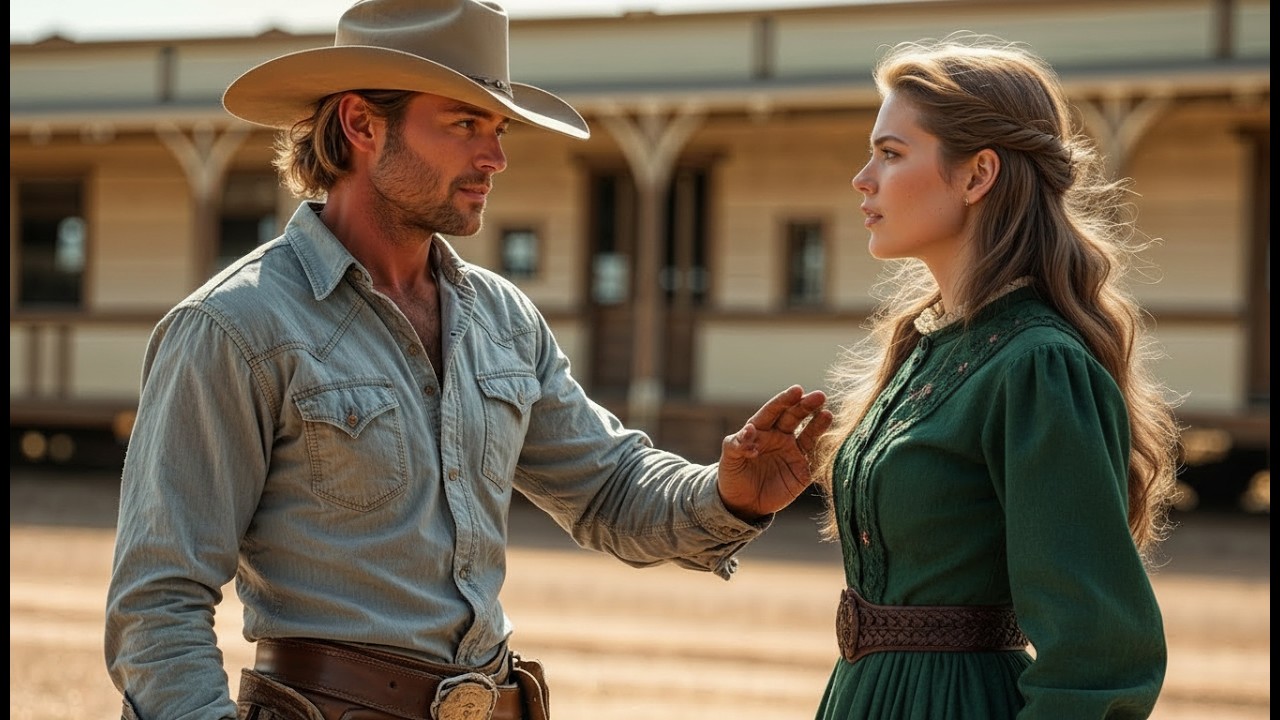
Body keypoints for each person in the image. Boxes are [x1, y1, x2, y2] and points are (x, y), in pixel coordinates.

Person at [103, 1, 833, 719]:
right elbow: (157, 603)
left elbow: (608, 489)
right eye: (463, 124)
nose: (495, 158)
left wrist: (728, 493)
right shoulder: (233, 328)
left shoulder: (502, 319)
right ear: (361, 124)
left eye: (498, 128)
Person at [807, 34, 1180, 720]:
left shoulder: (1038, 366)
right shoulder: (924, 346)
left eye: (891, 153)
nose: (863, 178)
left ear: (978, 175)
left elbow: (1098, 657)